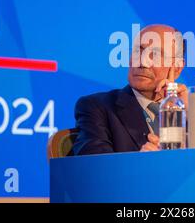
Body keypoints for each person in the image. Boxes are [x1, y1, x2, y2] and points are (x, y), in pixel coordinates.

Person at [72, 24, 187, 155]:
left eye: (154, 54)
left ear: (177, 68)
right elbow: (95, 170)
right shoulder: (97, 108)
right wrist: (140, 164)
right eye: (138, 51)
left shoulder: (186, 112)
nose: (142, 62)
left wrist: (192, 115)